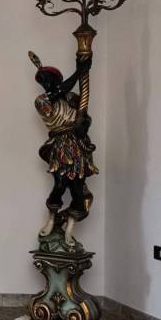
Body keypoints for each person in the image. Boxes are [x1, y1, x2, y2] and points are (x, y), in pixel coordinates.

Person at [29, 51, 96, 245]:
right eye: (42, 81)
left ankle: (70, 228)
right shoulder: (41, 101)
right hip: (60, 145)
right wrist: (79, 72)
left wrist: (83, 124)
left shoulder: (71, 98)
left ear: (56, 79)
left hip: (76, 144)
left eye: (48, 79)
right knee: (59, 184)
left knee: (77, 189)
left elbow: (85, 117)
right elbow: (58, 91)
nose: (45, 84)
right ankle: (52, 218)